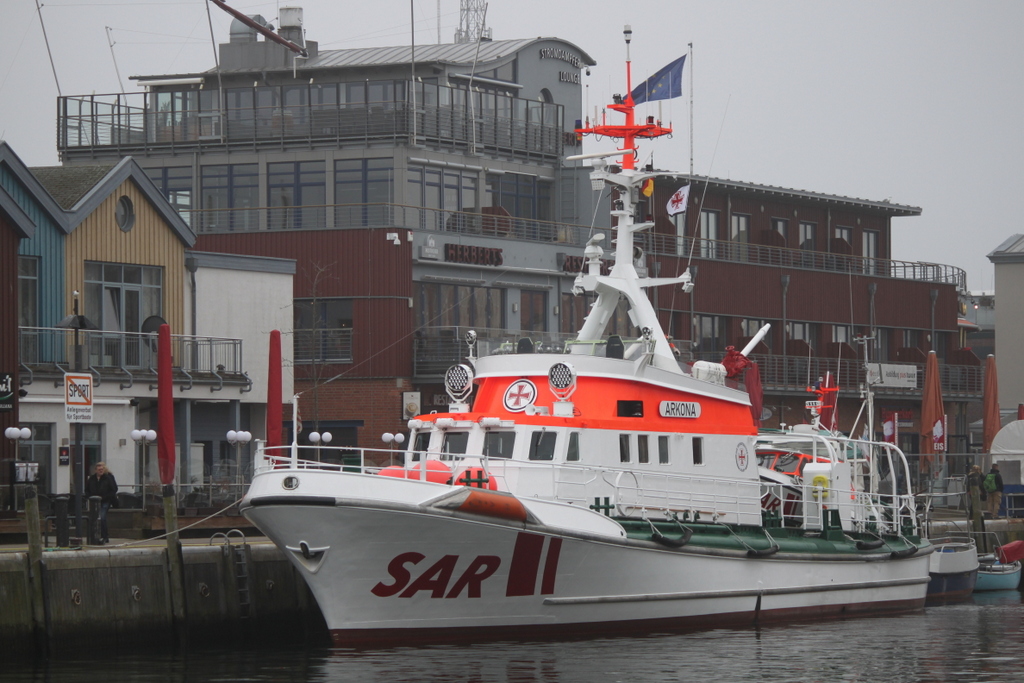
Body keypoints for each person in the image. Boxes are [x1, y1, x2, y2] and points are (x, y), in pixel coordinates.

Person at [85, 461, 118, 544]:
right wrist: (90, 497)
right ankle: (95, 536)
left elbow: (114, 489)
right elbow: (87, 490)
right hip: (94, 501)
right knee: (94, 518)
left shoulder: (108, 478)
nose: (100, 471)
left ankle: (105, 536)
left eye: (102, 469)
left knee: (102, 517)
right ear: (96, 470)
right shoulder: (92, 479)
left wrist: (105, 497)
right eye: (99, 469)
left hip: (105, 501)